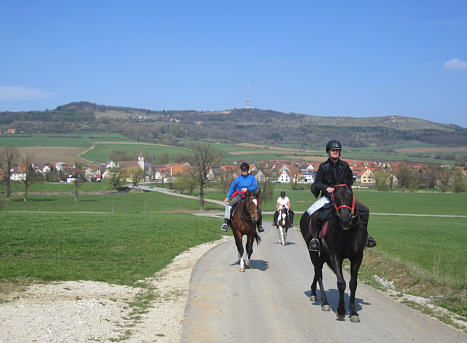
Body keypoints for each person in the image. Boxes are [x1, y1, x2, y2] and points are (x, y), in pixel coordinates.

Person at [307, 140, 376, 251]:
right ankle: (315, 239)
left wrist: (346, 188)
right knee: (314, 213)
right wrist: (326, 188)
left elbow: (349, 180)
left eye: (337, 150)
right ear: (328, 152)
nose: (335, 152)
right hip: (328, 197)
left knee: (364, 210)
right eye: (333, 150)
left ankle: (365, 236)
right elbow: (317, 182)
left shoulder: (345, 165)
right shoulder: (323, 166)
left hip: (343, 197)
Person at [220, 162, 264, 232]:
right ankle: (226, 223)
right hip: (239, 196)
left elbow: (255, 186)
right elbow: (232, 188)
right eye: (243, 170)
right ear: (241, 170)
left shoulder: (252, 178)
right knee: (229, 206)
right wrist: (227, 197)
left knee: (258, 208)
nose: (244, 172)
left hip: (249, 196)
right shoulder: (238, 179)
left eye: (245, 170)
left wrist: (248, 189)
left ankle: (259, 225)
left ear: (248, 170)